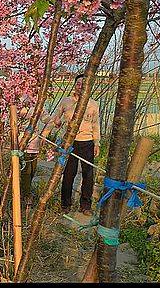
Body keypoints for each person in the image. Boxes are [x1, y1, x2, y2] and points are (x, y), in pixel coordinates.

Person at [42, 74, 101, 216]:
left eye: (83, 84)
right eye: (78, 83)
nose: (80, 86)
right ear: (75, 85)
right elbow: (55, 118)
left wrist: (96, 142)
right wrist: (47, 132)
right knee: (69, 174)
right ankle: (65, 204)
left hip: (87, 142)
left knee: (88, 175)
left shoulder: (93, 104)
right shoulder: (66, 102)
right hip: (69, 142)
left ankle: (85, 205)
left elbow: (96, 124)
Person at [18, 95, 51, 208]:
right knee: (25, 171)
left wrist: (54, 122)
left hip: (35, 142)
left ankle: (24, 191)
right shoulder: (19, 98)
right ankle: (26, 195)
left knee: (32, 170)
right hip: (21, 141)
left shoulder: (38, 100)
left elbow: (45, 118)